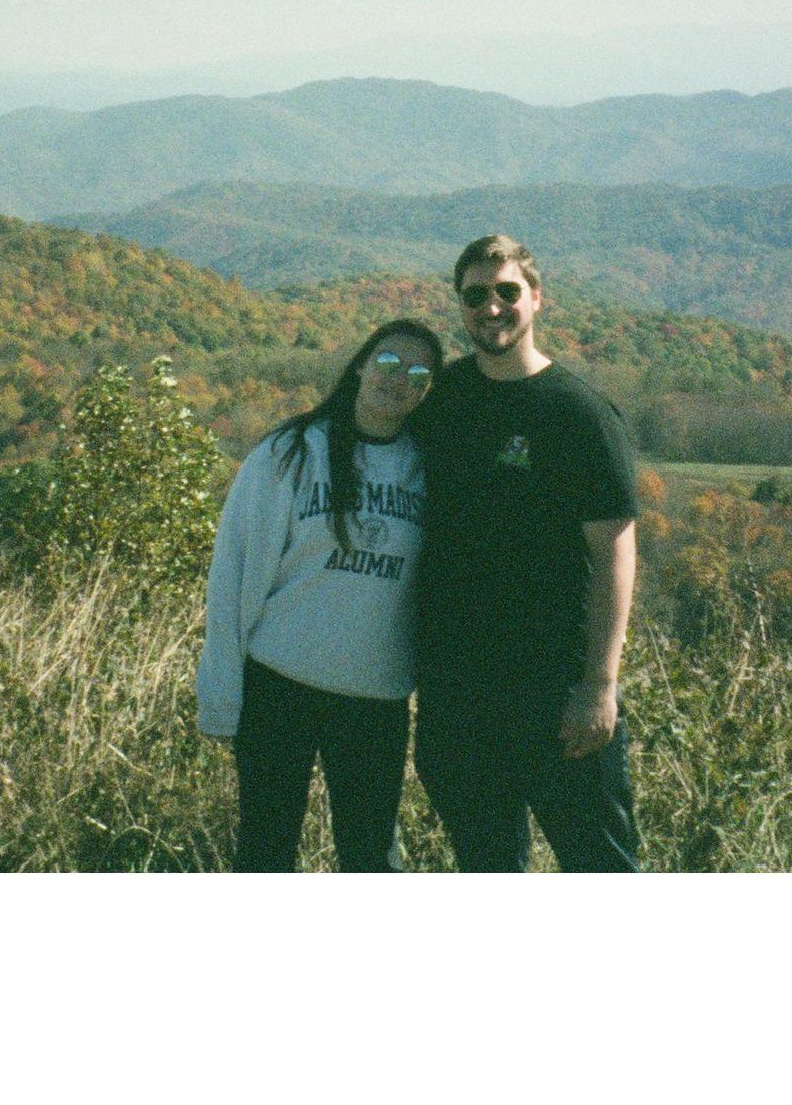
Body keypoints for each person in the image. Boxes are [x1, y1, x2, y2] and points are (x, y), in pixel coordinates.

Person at [412, 235, 644, 871]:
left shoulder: (580, 415)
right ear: (459, 306)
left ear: (537, 299)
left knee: (600, 866)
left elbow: (616, 555)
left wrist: (600, 684)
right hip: (456, 694)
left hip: (555, 693)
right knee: (487, 868)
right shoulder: (442, 400)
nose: (491, 308)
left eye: (506, 292)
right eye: (475, 296)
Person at [196, 318, 442, 871]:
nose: (398, 379)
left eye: (419, 374)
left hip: (376, 700)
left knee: (369, 858)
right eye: (387, 363)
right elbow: (233, 573)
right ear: (359, 365)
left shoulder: (431, 469)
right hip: (277, 688)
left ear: (429, 393)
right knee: (265, 852)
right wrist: (220, 693)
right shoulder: (291, 452)